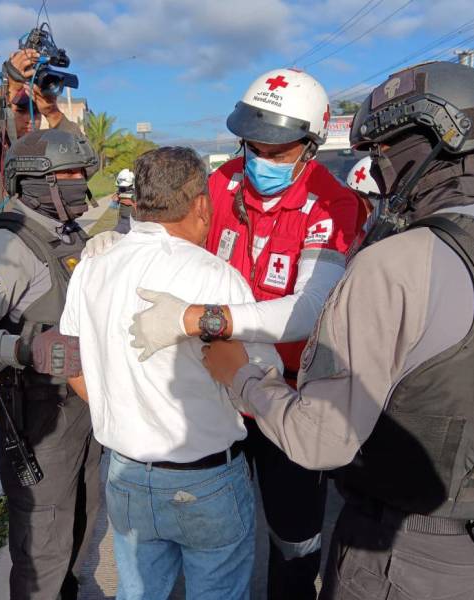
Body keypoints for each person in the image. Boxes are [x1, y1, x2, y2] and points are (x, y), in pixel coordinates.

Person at [202, 61, 474, 599]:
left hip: (402, 555)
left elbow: (320, 439)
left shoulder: (393, 262)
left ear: (415, 151)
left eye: (379, 153)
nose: (376, 172)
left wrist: (241, 376)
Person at [119, 68, 363, 599]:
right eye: (253, 144)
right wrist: (118, 247)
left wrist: (203, 319)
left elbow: (305, 311)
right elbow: (165, 237)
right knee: (212, 525)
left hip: (289, 392)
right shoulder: (221, 183)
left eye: (278, 149)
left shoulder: (332, 206)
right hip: (218, 387)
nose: (260, 159)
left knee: (293, 538)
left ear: (311, 146)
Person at [59, 146, 283, 600]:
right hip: (206, 479)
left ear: (137, 202)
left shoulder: (93, 266)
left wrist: (112, 404)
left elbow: (69, 360)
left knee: (139, 591)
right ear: (201, 203)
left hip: (125, 473)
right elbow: (257, 386)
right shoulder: (216, 276)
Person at [0, 128, 101, 600]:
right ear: (38, 182)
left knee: (82, 517)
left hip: (84, 406)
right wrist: (24, 349)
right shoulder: (6, 246)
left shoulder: (66, 230)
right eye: (69, 174)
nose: (80, 183)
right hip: (40, 413)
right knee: (42, 541)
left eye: (81, 173)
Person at [0, 47, 86, 216]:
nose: (30, 119)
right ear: (7, 112)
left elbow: (88, 163)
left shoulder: (53, 151)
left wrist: (53, 114)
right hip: (9, 240)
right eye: (21, 111)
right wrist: (7, 91)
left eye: (36, 112)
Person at [112, 167, 135, 234]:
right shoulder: (121, 189)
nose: (123, 188)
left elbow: (143, 209)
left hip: (133, 221)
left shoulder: (138, 191)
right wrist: (115, 199)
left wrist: (131, 203)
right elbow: (113, 206)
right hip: (122, 220)